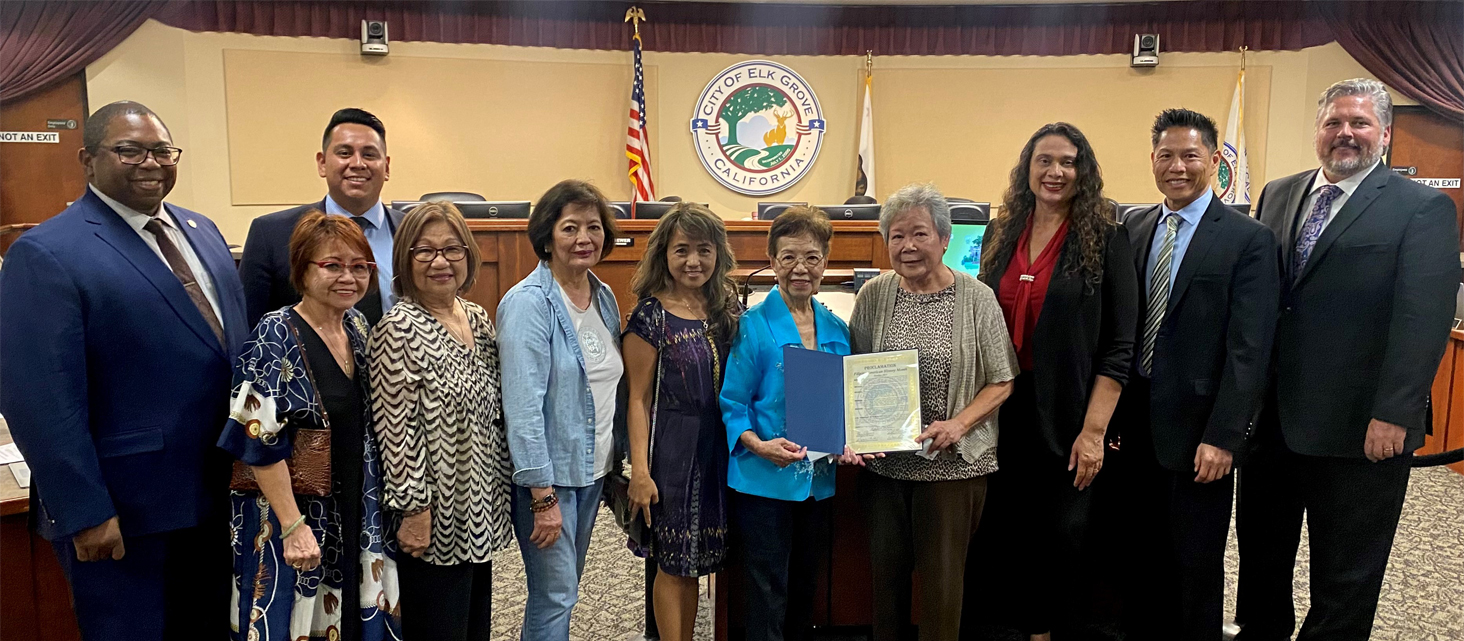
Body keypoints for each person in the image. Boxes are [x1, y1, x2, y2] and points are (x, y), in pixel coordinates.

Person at [0, 101, 248, 640]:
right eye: (130, 150)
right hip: (127, 510)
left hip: (220, 495)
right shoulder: (46, 252)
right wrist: (83, 509)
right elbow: (38, 398)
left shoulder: (202, 231)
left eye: (162, 150)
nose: (151, 163)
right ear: (88, 160)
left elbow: (228, 351)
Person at [1235, 79, 1459, 641]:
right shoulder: (1277, 194)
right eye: (1334, 122)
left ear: (1384, 133)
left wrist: (1396, 412)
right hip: (1271, 425)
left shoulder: (1424, 208)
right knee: (1261, 565)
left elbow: (1423, 319)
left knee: (1346, 576)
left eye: (1359, 123)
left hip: (1362, 428)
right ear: (1318, 130)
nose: (1345, 134)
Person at [1112, 109, 1279, 641]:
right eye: (1166, 156)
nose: (1177, 166)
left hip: (1200, 430)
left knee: (1195, 562)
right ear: (1153, 161)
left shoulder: (1248, 239)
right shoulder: (1134, 226)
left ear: (1213, 161)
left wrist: (1224, 437)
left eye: (1190, 156)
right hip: (1133, 423)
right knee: (1139, 553)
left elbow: (1249, 349)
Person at [976, 122, 1138, 641]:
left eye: (1068, 162)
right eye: (1044, 160)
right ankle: (1018, 629)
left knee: (1067, 535)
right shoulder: (1001, 231)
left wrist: (1093, 433)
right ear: (1027, 168)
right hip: (1004, 406)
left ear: (1083, 171)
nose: (1055, 171)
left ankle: (1057, 630)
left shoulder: (1109, 237)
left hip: (1071, 413)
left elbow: (1119, 347)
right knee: (1008, 530)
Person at [849, 183, 1019, 641]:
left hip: (952, 468)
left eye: (920, 234)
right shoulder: (874, 295)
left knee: (943, 594)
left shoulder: (977, 297)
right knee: (885, 588)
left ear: (944, 240)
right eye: (897, 235)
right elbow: (854, 372)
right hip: (885, 469)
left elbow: (1003, 380)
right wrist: (852, 432)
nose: (907, 246)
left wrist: (959, 424)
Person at [220, 212, 401, 641]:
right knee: (295, 620)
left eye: (360, 267)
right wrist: (292, 526)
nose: (349, 277)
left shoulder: (356, 326)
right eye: (333, 265)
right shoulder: (273, 334)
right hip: (295, 516)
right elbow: (255, 439)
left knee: (352, 617)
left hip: (356, 504)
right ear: (302, 269)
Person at [368, 201, 514, 641]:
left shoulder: (477, 317)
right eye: (424, 251)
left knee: (473, 627)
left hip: (480, 508)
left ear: (468, 255)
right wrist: (414, 511)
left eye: (452, 249)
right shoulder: (398, 328)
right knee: (439, 628)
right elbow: (397, 430)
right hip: (433, 518)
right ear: (405, 260)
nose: (440, 261)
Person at [720, 206, 853, 641]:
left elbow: (845, 401)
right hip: (765, 482)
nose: (801, 268)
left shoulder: (836, 327)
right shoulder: (751, 327)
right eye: (790, 257)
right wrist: (759, 446)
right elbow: (732, 403)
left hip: (818, 481)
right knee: (766, 590)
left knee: (806, 587)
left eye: (812, 257)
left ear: (826, 262)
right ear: (773, 260)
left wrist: (850, 438)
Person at [499, 179, 625, 641]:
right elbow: (523, 407)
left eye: (593, 227)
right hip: (550, 482)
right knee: (555, 595)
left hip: (591, 473)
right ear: (547, 236)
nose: (583, 238)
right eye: (570, 227)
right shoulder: (529, 303)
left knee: (565, 589)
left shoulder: (603, 295)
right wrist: (542, 495)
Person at [624, 203, 741, 641]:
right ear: (664, 255)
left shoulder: (725, 310)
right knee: (673, 564)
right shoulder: (650, 315)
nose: (694, 261)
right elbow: (637, 399)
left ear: (718, 255)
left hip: (718, 449)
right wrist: (640, 470)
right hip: (672, 451)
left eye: (704, 250)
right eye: (682, 250)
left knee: (696, 563)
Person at [239, 108, 405, 328]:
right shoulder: (271, 235)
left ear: (386, 167)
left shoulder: (411, 232)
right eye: (345, 153)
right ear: (322, 163)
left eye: (369, 154)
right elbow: (249, 327)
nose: (357, 163)